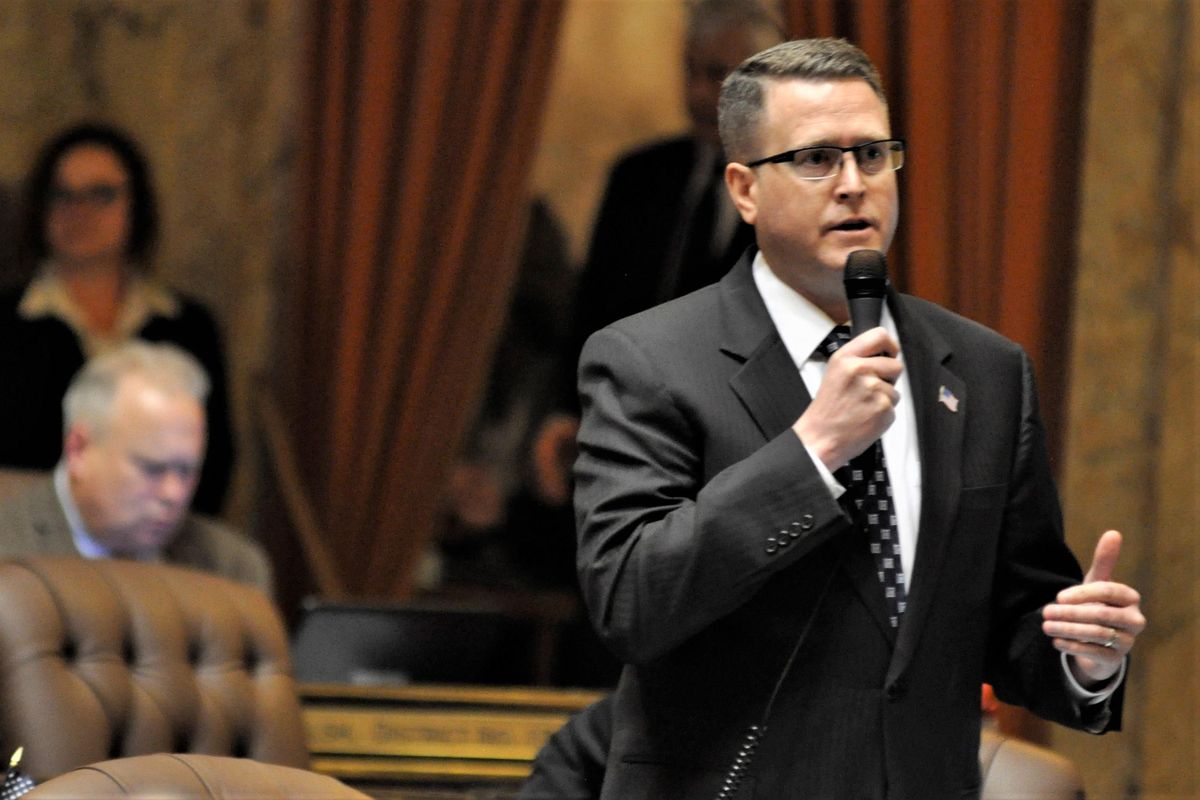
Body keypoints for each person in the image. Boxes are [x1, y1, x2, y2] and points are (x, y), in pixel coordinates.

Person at [571, 39, 1145, 798]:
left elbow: (1008, 614)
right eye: (816, 160)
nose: (853, 185)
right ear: (744, 190)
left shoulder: (984, 371)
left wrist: (1085, 658)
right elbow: (630, 602)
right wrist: (812, 451)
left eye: (872, 155)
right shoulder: (650, 360)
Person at [533, 0, 786, 508]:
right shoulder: (639, 177)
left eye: (717, 75)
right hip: (625, 457)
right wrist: (564, 412)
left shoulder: (795, 194)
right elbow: (593, 311)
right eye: (689, 71)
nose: (695, 94)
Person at [0, 123, 234, 514]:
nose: (79, 211)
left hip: (160, 540)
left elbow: (215, 460)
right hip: (28, 541)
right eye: (62, 195)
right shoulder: (7, 321)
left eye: (101, 195)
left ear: (136, 206)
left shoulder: (187, 325)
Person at [0, 341, 271, 596]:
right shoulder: (9, 554)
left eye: (187, 471)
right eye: (152, 469)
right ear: (78, 450)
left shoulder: (232, 570)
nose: (173, 494)